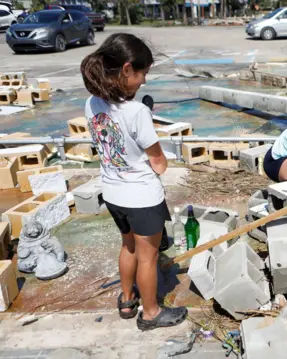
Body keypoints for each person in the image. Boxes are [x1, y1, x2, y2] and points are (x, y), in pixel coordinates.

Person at [80, 33, 188, 331]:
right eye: (143, 74)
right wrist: (160, 153)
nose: (144, 82)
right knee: (147, 258)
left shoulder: (91, 103)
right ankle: (151, 313)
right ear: (127, 69)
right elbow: (158, 162)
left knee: (128, 246)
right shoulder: (137, 111)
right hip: (141, 198)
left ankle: (127, 299)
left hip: (113, 193)